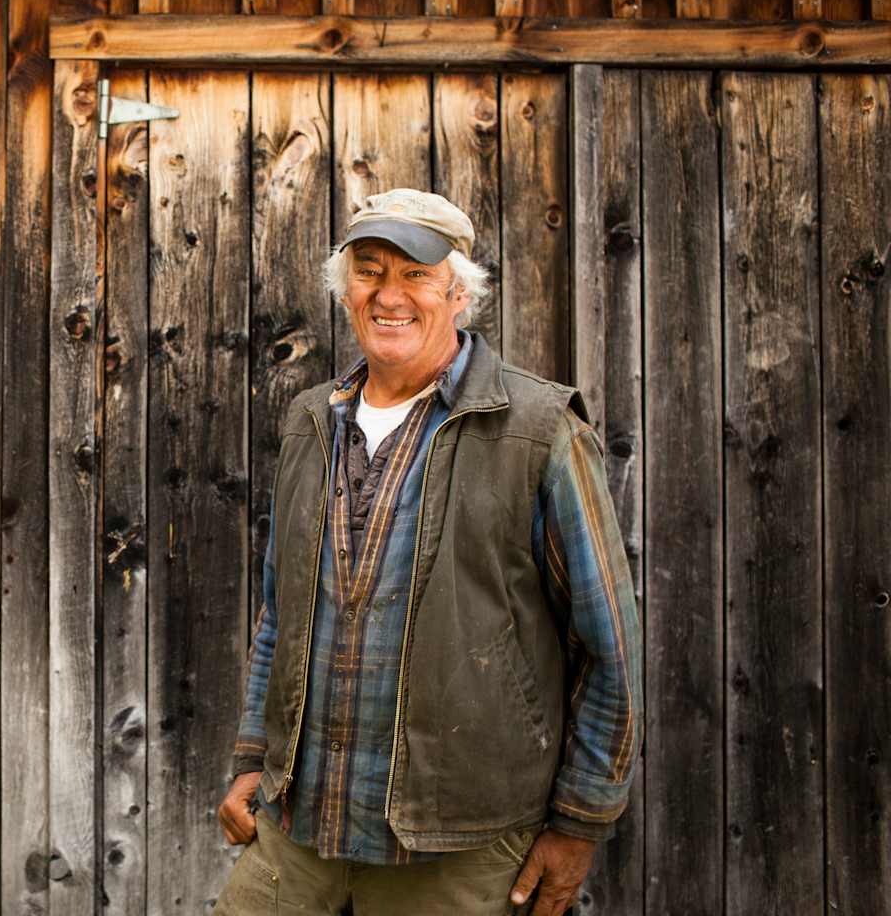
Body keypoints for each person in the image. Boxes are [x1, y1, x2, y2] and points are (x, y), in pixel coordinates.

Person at [213, 189, 642, 916]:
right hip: (300, 826)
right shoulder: (310, 420)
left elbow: (609, 648)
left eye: (415, 273)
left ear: (458, 291)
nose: (389, 295)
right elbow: (279, 616)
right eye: (369, 270)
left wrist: (581, 821)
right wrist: (256, 756)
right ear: (344, 289)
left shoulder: (538, 429)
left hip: (458, 847)